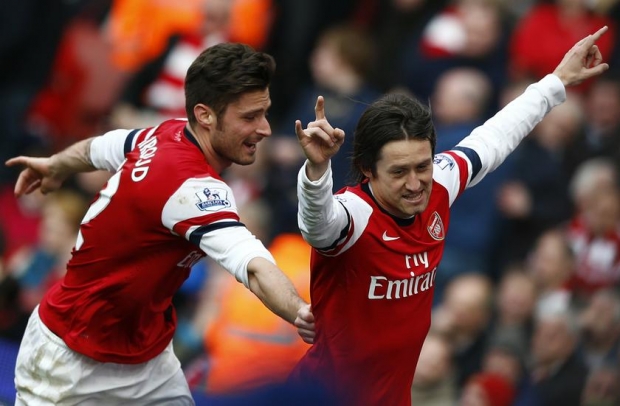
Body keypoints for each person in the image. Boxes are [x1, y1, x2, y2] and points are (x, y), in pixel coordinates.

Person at [290, 26, 610, 405]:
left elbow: (494, 137)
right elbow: (316, 223)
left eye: (422, 166)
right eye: (398, 172)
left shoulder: (440, 181)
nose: (415, 184)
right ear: (367, 169)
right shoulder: (352, 215)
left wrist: (557, 81)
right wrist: (316, 172)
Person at [5, 42, 314, 405]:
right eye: (249, 117)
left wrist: (56, 164)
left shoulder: (166, 133)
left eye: (265, 113)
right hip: (70, 362)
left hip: (146, 359)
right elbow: (254, 267)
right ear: (205, 115)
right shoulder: (192, 189)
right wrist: (301, 312)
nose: (263, 129)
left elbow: (101, 148)